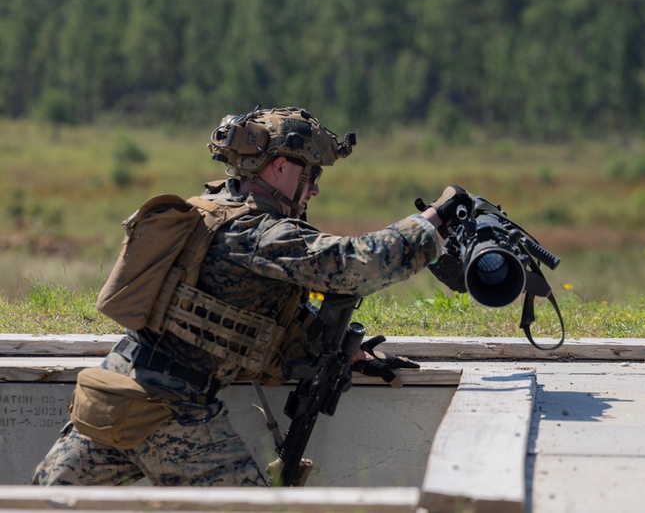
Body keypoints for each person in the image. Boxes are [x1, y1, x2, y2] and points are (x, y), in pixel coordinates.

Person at [31, 106, 473, 487]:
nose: (315, 188)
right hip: (172, 413)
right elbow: (355, 266)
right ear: (279, 167)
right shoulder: (257, 233)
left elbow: (238, 316)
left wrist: (339, 352)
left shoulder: (210, 210)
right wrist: (432, 222)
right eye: (311, 173)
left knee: (41, 505)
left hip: (111, 393)